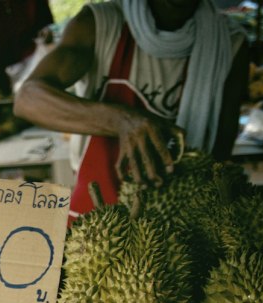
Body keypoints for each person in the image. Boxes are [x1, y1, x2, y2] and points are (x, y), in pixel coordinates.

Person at [13, 0, 249, 221]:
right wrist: (121, 120)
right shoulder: (100, 24)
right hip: (95, 222)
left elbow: (220, 156)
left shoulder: (228, 44)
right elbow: (28, 99)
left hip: (183, 225)